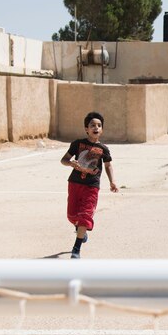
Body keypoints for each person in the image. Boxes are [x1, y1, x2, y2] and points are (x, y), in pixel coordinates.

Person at [60, 111, 118, 259]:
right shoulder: (77, 144)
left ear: (102, 129)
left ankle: (76, 248)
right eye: (93, 125)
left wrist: (112, 181)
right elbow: (64, 160)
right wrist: (70, 163)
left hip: (92, 186)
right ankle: (81, 229)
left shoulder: (104, 149)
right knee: (72, 215)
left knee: (85, 215)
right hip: (75, 183)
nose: (96, 127)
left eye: (99, 125)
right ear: (86, 128)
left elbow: (108, 166)